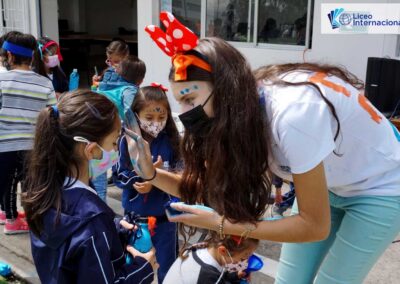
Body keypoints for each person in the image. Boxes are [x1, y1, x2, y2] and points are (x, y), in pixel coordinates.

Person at [133, 12, 400, 284]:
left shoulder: (292, 115)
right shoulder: (239, 115)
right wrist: (151, 175)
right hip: (331, 183)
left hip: (380, 187)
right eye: (180, 100)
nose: (184, 112)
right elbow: (207, 186)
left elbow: (314, 225)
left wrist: (220, 224)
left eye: (190, 98)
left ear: (224, 89)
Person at [22, 90, 157, 283]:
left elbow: (69, 255)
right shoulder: (93, 218)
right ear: (92, 150)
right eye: (113, 142)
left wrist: (113, 228)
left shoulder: (45, 194)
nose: (115, 150)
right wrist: (143, 268)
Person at [113, 84, 181, 283]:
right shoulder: (127, 141)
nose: (156, 123)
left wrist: (157, 177)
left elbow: (181, 174)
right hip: (135, 220)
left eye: (161, 117)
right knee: (136, 263)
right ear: (135, 115)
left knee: (167, 266)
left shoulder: (172, 141)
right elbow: (118, 174)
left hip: (166, 218)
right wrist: (139, 178)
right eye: (149, 118)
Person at [0, 31, 56, 234]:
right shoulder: (45, 83)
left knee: (5, 186)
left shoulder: (1, 81)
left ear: (10, 56)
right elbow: (52, 118)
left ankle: (10, 219)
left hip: (4, 148)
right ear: (32, 56)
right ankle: (35, 228)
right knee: (32, 190)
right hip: (34, 149)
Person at [94, 55, 146, 201]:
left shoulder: (106, 85)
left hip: (91, 132)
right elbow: (130, 112)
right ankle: (100, 214)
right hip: (108, 137)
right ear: (141, 80)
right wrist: (137, 134)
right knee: (100, 184)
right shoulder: (130, 89)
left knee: (95, 176)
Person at [164, 233, 259, 284]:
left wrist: (235, 276)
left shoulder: (202, 247)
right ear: (223, 251)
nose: (245, 262)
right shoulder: (208, 277)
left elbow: (217, 274)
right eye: (243, 257)